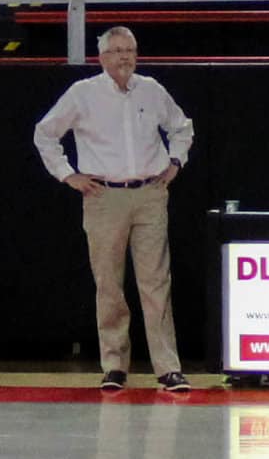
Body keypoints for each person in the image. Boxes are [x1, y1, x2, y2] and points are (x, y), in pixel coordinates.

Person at [33, 27, 195, 393]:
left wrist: (176, 161)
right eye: (117, 51)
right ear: (102, 57)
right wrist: (67, 175)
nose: (124, 57)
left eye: (130, 50)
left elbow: (182, 128)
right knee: (108, 283)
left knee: (156, 283)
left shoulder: (152, 90)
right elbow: (45, 134)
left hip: (150, 192)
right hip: (104, 196)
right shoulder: (83, 94)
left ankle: (168, 368)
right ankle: (114, 365)